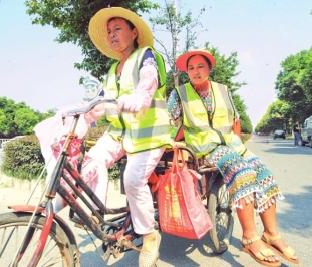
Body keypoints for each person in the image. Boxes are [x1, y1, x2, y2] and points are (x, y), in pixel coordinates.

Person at [168, 49, 299, 266]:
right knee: (242, 172)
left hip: (231, 144)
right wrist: (177, 147)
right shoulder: (179, 94)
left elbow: (235, 120)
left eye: (200, 66)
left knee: (264, 172)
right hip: (205, 147)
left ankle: (271, 234)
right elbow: (172, 123)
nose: (195, 71)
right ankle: (249, 237)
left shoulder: (223, 90)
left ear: (209, 69)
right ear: (186, 72)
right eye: (191, 68)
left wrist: (238, 145)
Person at [84, 7, 171, 267]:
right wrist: (80, 117)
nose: (112, 35)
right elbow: (98, 104)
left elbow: (147, 84)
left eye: (118, 29)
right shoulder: (112, 70)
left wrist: (140, 98)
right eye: (109, 32)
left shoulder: (147, 57)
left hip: (149, 137)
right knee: (90, 162)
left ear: (134, 32)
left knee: (132, 180)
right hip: (120, 134)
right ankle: (97, 214)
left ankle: (150, 235)